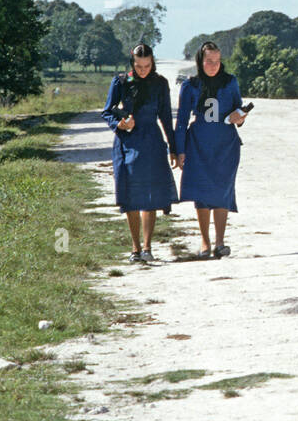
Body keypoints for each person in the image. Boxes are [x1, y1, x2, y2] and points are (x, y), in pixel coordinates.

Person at [101, 43, 178, 263]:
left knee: (150, 195)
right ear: (132, 63)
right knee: (131, 194)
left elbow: (165, 116)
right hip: (127, 142)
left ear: (152, 62)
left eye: (147, 65)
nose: (143, 70)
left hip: (152, 142)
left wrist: (173, 147)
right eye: (139, 66)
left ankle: (147, 247)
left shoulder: (160, 83)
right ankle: (134, 248)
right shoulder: (121, 81)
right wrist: (120, 124)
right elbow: (107, 112)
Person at [175, 41, 247, 259]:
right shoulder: (190, 85)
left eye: (217, 61)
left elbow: (239, 112)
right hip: (197, 144)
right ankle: (205, 241)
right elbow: (181, 121)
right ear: (200, 61)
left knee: (222, 191)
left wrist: (241, 118)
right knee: (202, 193)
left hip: (226, 145)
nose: (213, 65)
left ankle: (220, 242)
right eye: (209, 61)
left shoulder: (230, 82)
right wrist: (179, 150)